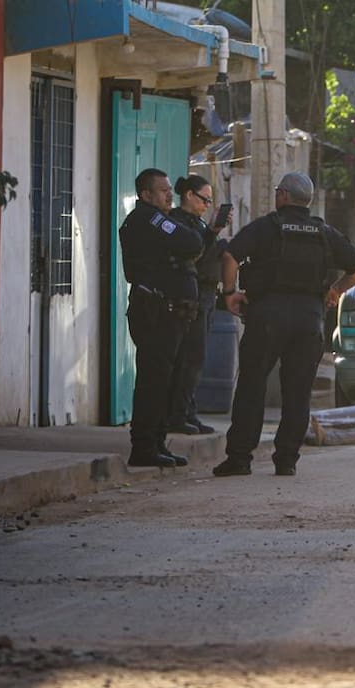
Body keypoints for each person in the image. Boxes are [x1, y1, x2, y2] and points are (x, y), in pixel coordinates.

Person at [212, 172, 355, 477]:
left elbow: (230, 256)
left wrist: (230, 294)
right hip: (308, 319)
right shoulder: (324, 232)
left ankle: (240, 458)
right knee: (298, 391)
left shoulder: (266, 227)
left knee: (252, 386)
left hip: (266, 316)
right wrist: (335, 289)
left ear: (282, 195)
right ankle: (286, 460)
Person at [118, 168, 205, 468]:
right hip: (156, 312)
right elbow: (192, 243)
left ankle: (155, 444)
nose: (170, 194)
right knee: (153, 382)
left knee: (162, 381)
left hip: (168, 312)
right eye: (163, 190)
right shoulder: (150, 219)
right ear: (146, 195)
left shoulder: (156, 219)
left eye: (170, 189)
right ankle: (143, 447)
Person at [167, 175, 231, 436]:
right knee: (187, 358)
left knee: (195, 359)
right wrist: (213, 233)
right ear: (190, 195)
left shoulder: (196, 223)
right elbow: (195, 251)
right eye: (204, 199)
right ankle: (177, 415)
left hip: (205, 295)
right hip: (190, 295)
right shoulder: (176, 223)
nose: (207, 205)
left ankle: (187, 412)